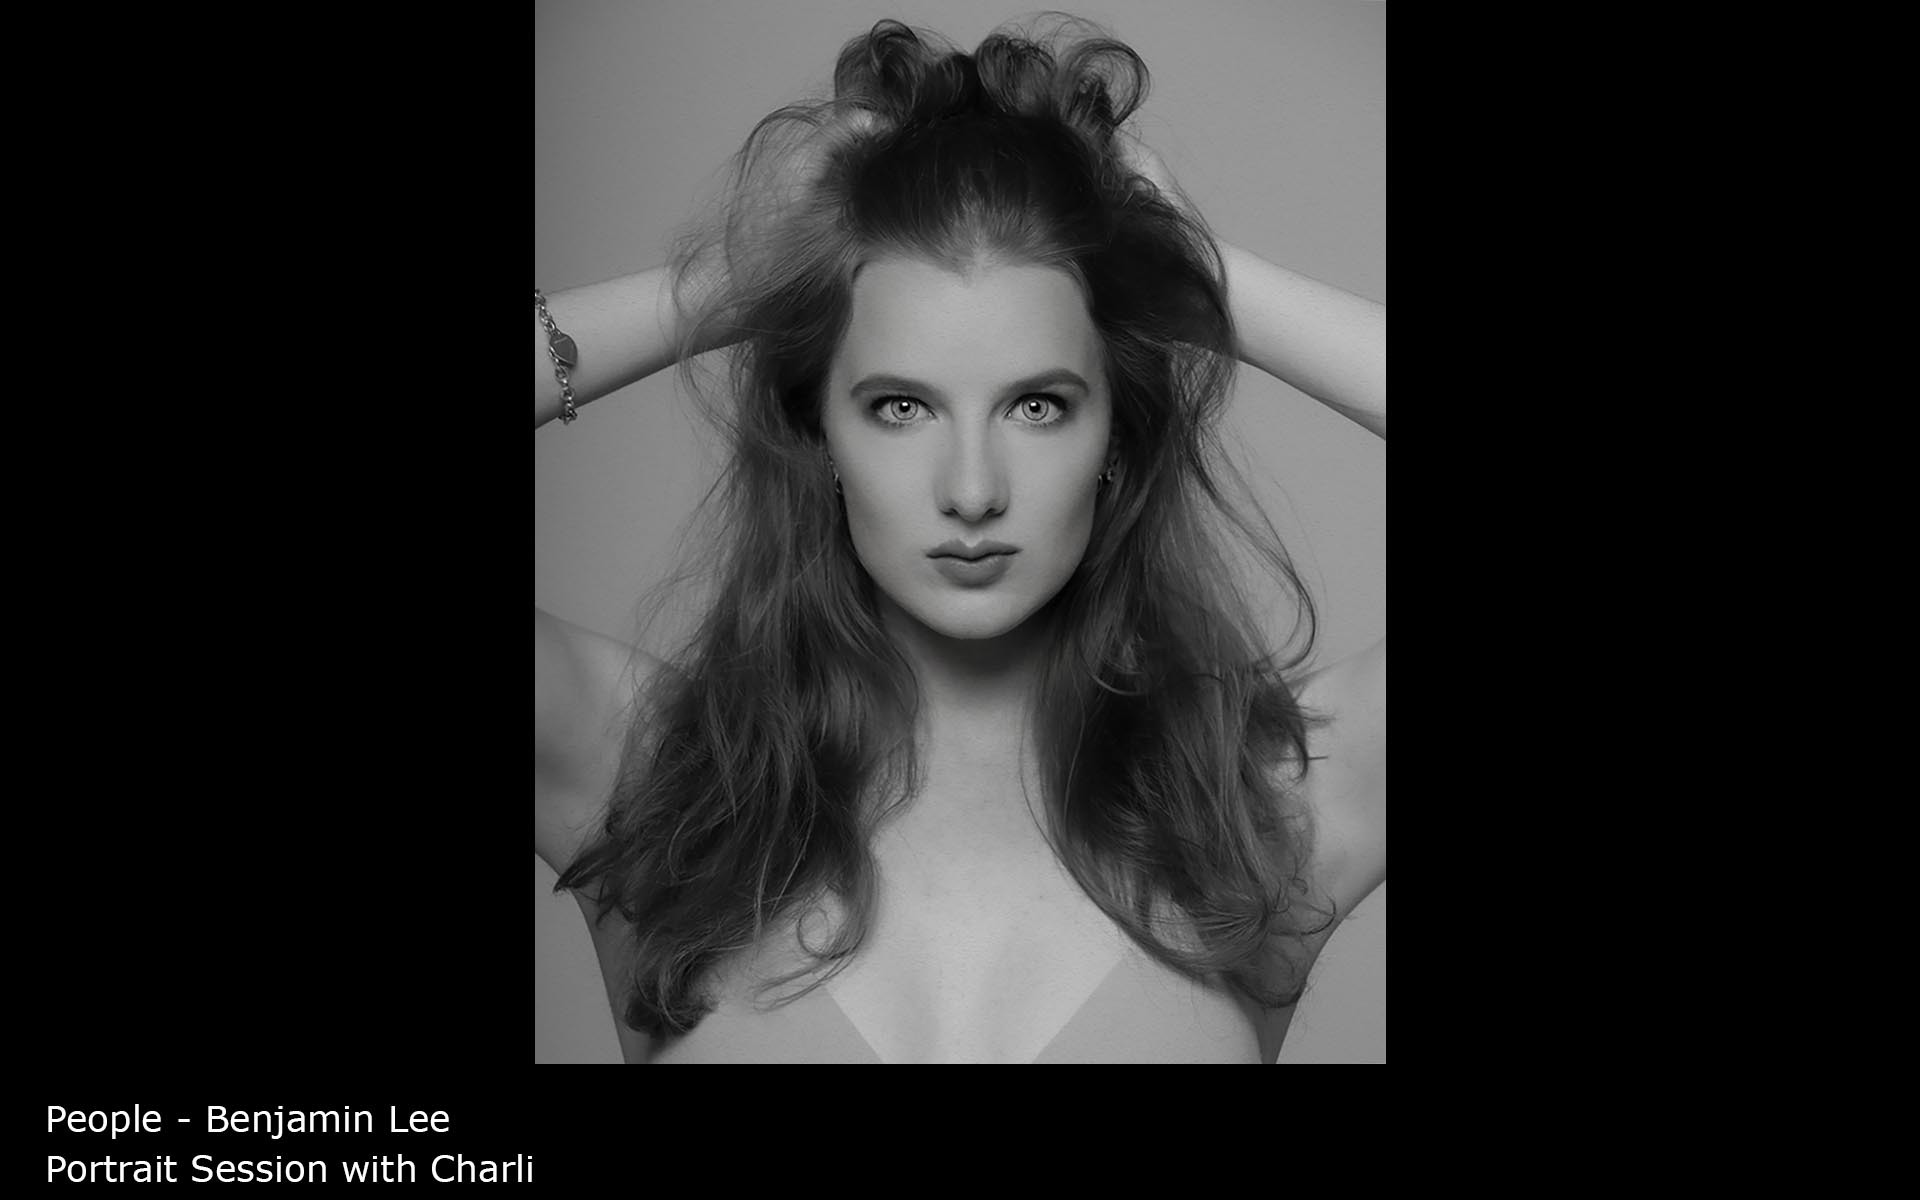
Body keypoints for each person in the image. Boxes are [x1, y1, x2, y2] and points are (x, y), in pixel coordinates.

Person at [534, 14, 1383, 1064]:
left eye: (1038, 405)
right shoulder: (653, 783)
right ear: (819, 434)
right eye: (901, 407)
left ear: (1116, 436)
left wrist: (1191, 272)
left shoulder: (1264, 811)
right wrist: (740, 279)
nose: (972, 490)